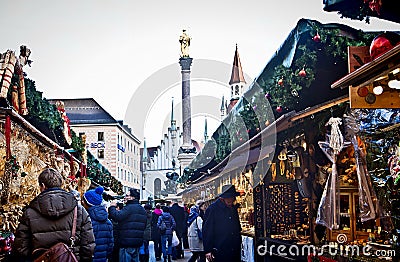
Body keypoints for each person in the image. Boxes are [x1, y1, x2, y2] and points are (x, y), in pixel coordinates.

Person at [13, 168, 95, 261]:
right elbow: (88, 245)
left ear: (42, 186)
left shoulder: (29, 213)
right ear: (61, 184)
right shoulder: (79, 210)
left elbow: (21, 248)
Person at [202, 184, 242, 262]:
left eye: (232, 197)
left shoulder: (233, 209)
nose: (230, 200)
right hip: (220, 248)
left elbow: (237, 226)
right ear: (222, 198)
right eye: (228, 198)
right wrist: (208, 250)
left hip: (234, 248)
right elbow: (207, 230)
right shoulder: (213, 209)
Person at [109, 188, 147, 262]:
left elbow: (117, 216)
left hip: (126, 243)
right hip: (137, 243)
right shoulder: (142, 210)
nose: (125, 197)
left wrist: (112, 207)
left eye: (127, 195)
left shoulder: (129, 208)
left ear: (132, 197)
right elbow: (144, 225)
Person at [82, 186, 114, 262]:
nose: (82, 202)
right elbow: (111, 245)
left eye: (83, 200)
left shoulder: (87, 221)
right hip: (103, 258)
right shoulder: (108, 222)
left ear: (87, 203)